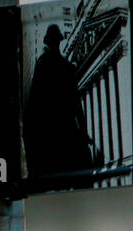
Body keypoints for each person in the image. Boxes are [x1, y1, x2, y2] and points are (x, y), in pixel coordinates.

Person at [24, 24, 96, 188]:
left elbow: (35, 102)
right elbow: (76, 104)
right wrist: (83, 132)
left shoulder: (42, 65)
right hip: (66, 130)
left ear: (48, 43)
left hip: (50, 134)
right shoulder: (66, 67)